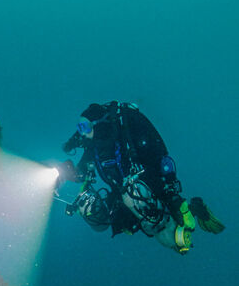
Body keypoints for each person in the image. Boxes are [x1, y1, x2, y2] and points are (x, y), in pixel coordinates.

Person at [56, 101, 224, 253]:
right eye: (79, 128)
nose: (82, 133)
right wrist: (64, 174)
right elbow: (82, 172)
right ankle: (177, 215)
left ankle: (194, 208)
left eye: (85, 127)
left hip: (146, 187)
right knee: (91, 212)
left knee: (169, 236)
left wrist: (173, 195)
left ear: (98, 124)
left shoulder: (127, 129)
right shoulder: (94, 147)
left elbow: (161, 157)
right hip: (123, 196)